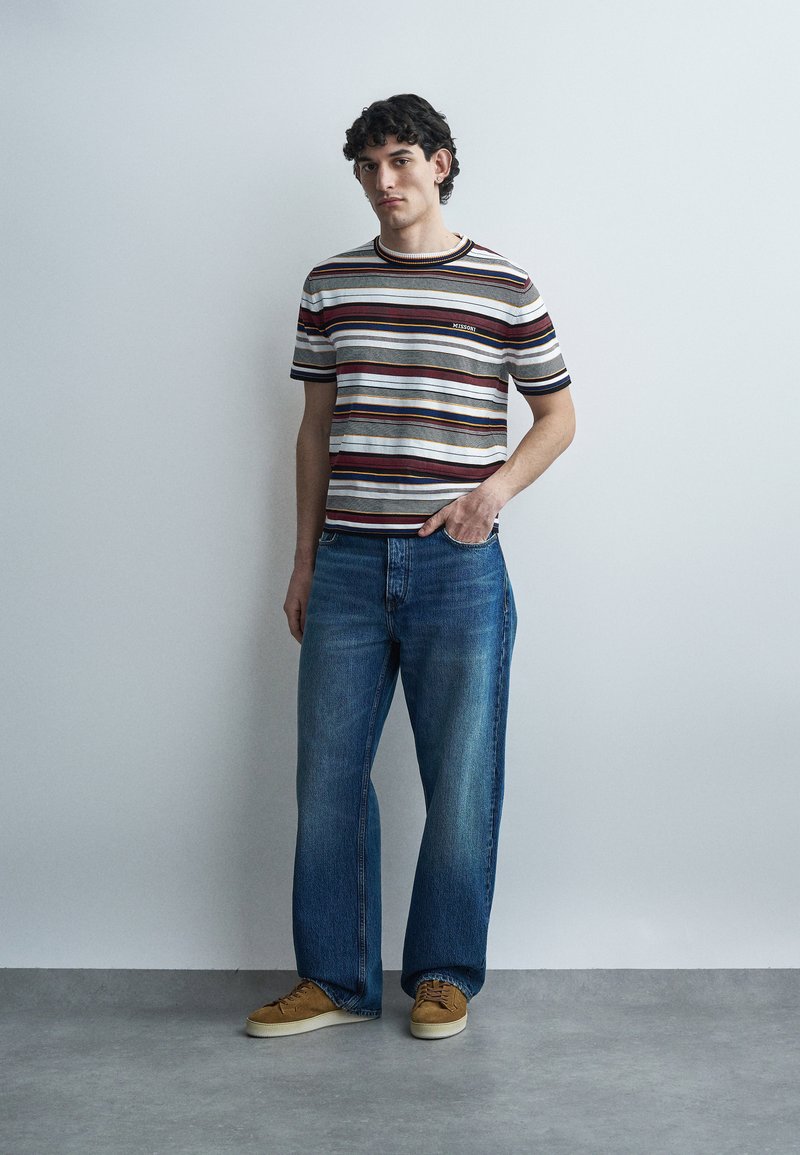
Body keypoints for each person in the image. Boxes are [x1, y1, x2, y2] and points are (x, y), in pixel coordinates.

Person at [245, 94, 575, 1041]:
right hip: (345, 565)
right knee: (329, 778)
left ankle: (442, 974)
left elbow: (559, 416)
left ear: (440, 163)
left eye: (398, 162)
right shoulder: (330, 284)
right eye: (366, 168)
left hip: (459, 567)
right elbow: (314, 432)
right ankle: (334, 979)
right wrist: (303, 560)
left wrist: (493, 493)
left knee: (461, 776)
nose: (382, 183)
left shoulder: (506, 285)